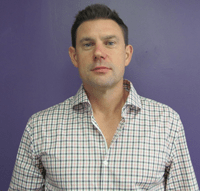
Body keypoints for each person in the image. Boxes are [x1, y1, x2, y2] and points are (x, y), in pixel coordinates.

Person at [9, 4, 199, 190]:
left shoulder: (167, 123)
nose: (99, 53)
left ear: (127, 54)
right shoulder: (39, 127)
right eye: (88, 44)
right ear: (74, 56)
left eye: (109, 43)